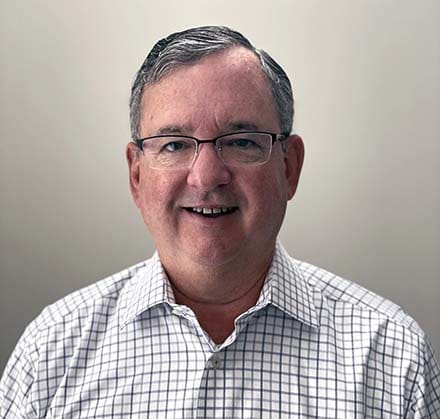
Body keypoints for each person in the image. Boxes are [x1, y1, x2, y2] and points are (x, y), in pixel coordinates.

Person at [1, 25, 439, 418]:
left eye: (241, 141)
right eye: (174, 145)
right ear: (137, 175)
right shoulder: (51, 351)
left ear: (289, 168)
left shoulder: (391, 356)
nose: (207, 176)